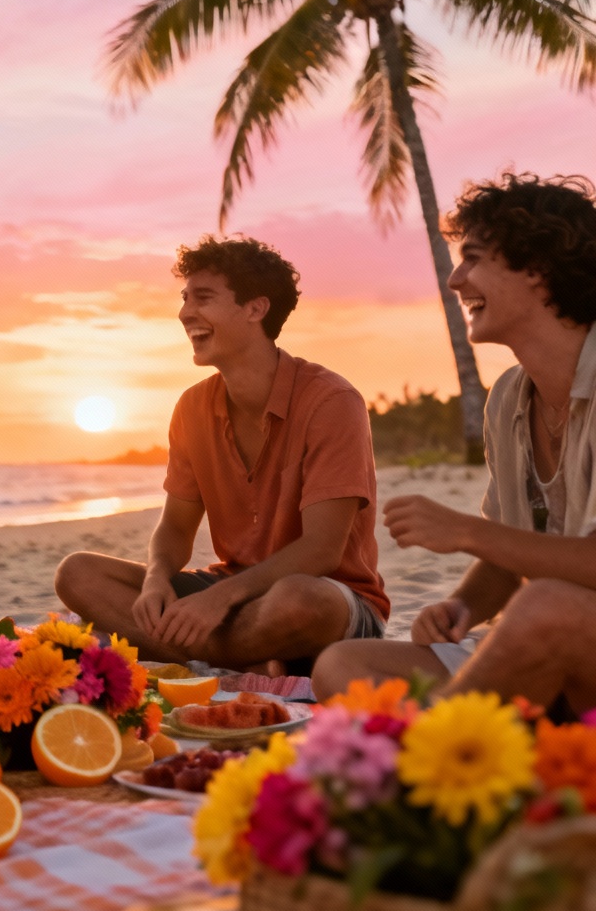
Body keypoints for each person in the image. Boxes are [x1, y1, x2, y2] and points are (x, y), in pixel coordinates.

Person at [312, 172, 596, 716]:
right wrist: (460, 607)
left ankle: (441, 755)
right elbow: (508, 555)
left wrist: (465, 531)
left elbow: (521, 556)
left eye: (472, 259)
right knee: (343, 665)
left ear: (536, 268)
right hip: (552, 649)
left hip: (572, 632)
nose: (455, 281)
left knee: (545, 606)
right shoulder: (509, 398)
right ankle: (493, 739)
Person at [55, 235, 388, 672]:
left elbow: (322, 550)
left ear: (255, 308)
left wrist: (217, 600)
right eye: (184, 298)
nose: (185, 312)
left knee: (300, 600)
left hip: (330, 597)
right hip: (234, 594)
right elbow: (175, 527)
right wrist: (156, 579)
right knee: (78, 574)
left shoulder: (331, 402)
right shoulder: (192, 407)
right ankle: (246, 659)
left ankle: (199, 655)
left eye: (203, 298)